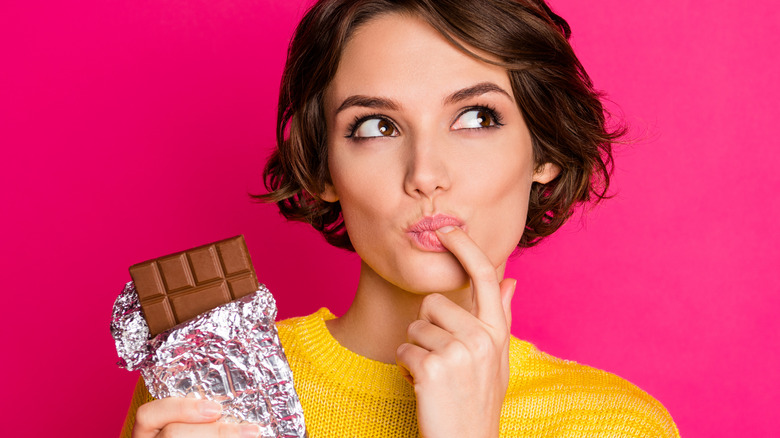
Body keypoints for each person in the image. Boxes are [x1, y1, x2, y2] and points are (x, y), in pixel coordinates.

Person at [121, 0, 679, 436]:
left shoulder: (615, 426)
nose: (425, 173)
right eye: (375, 127)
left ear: (544, 152)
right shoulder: (202, 395)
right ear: (322, 170)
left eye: (476, 117)